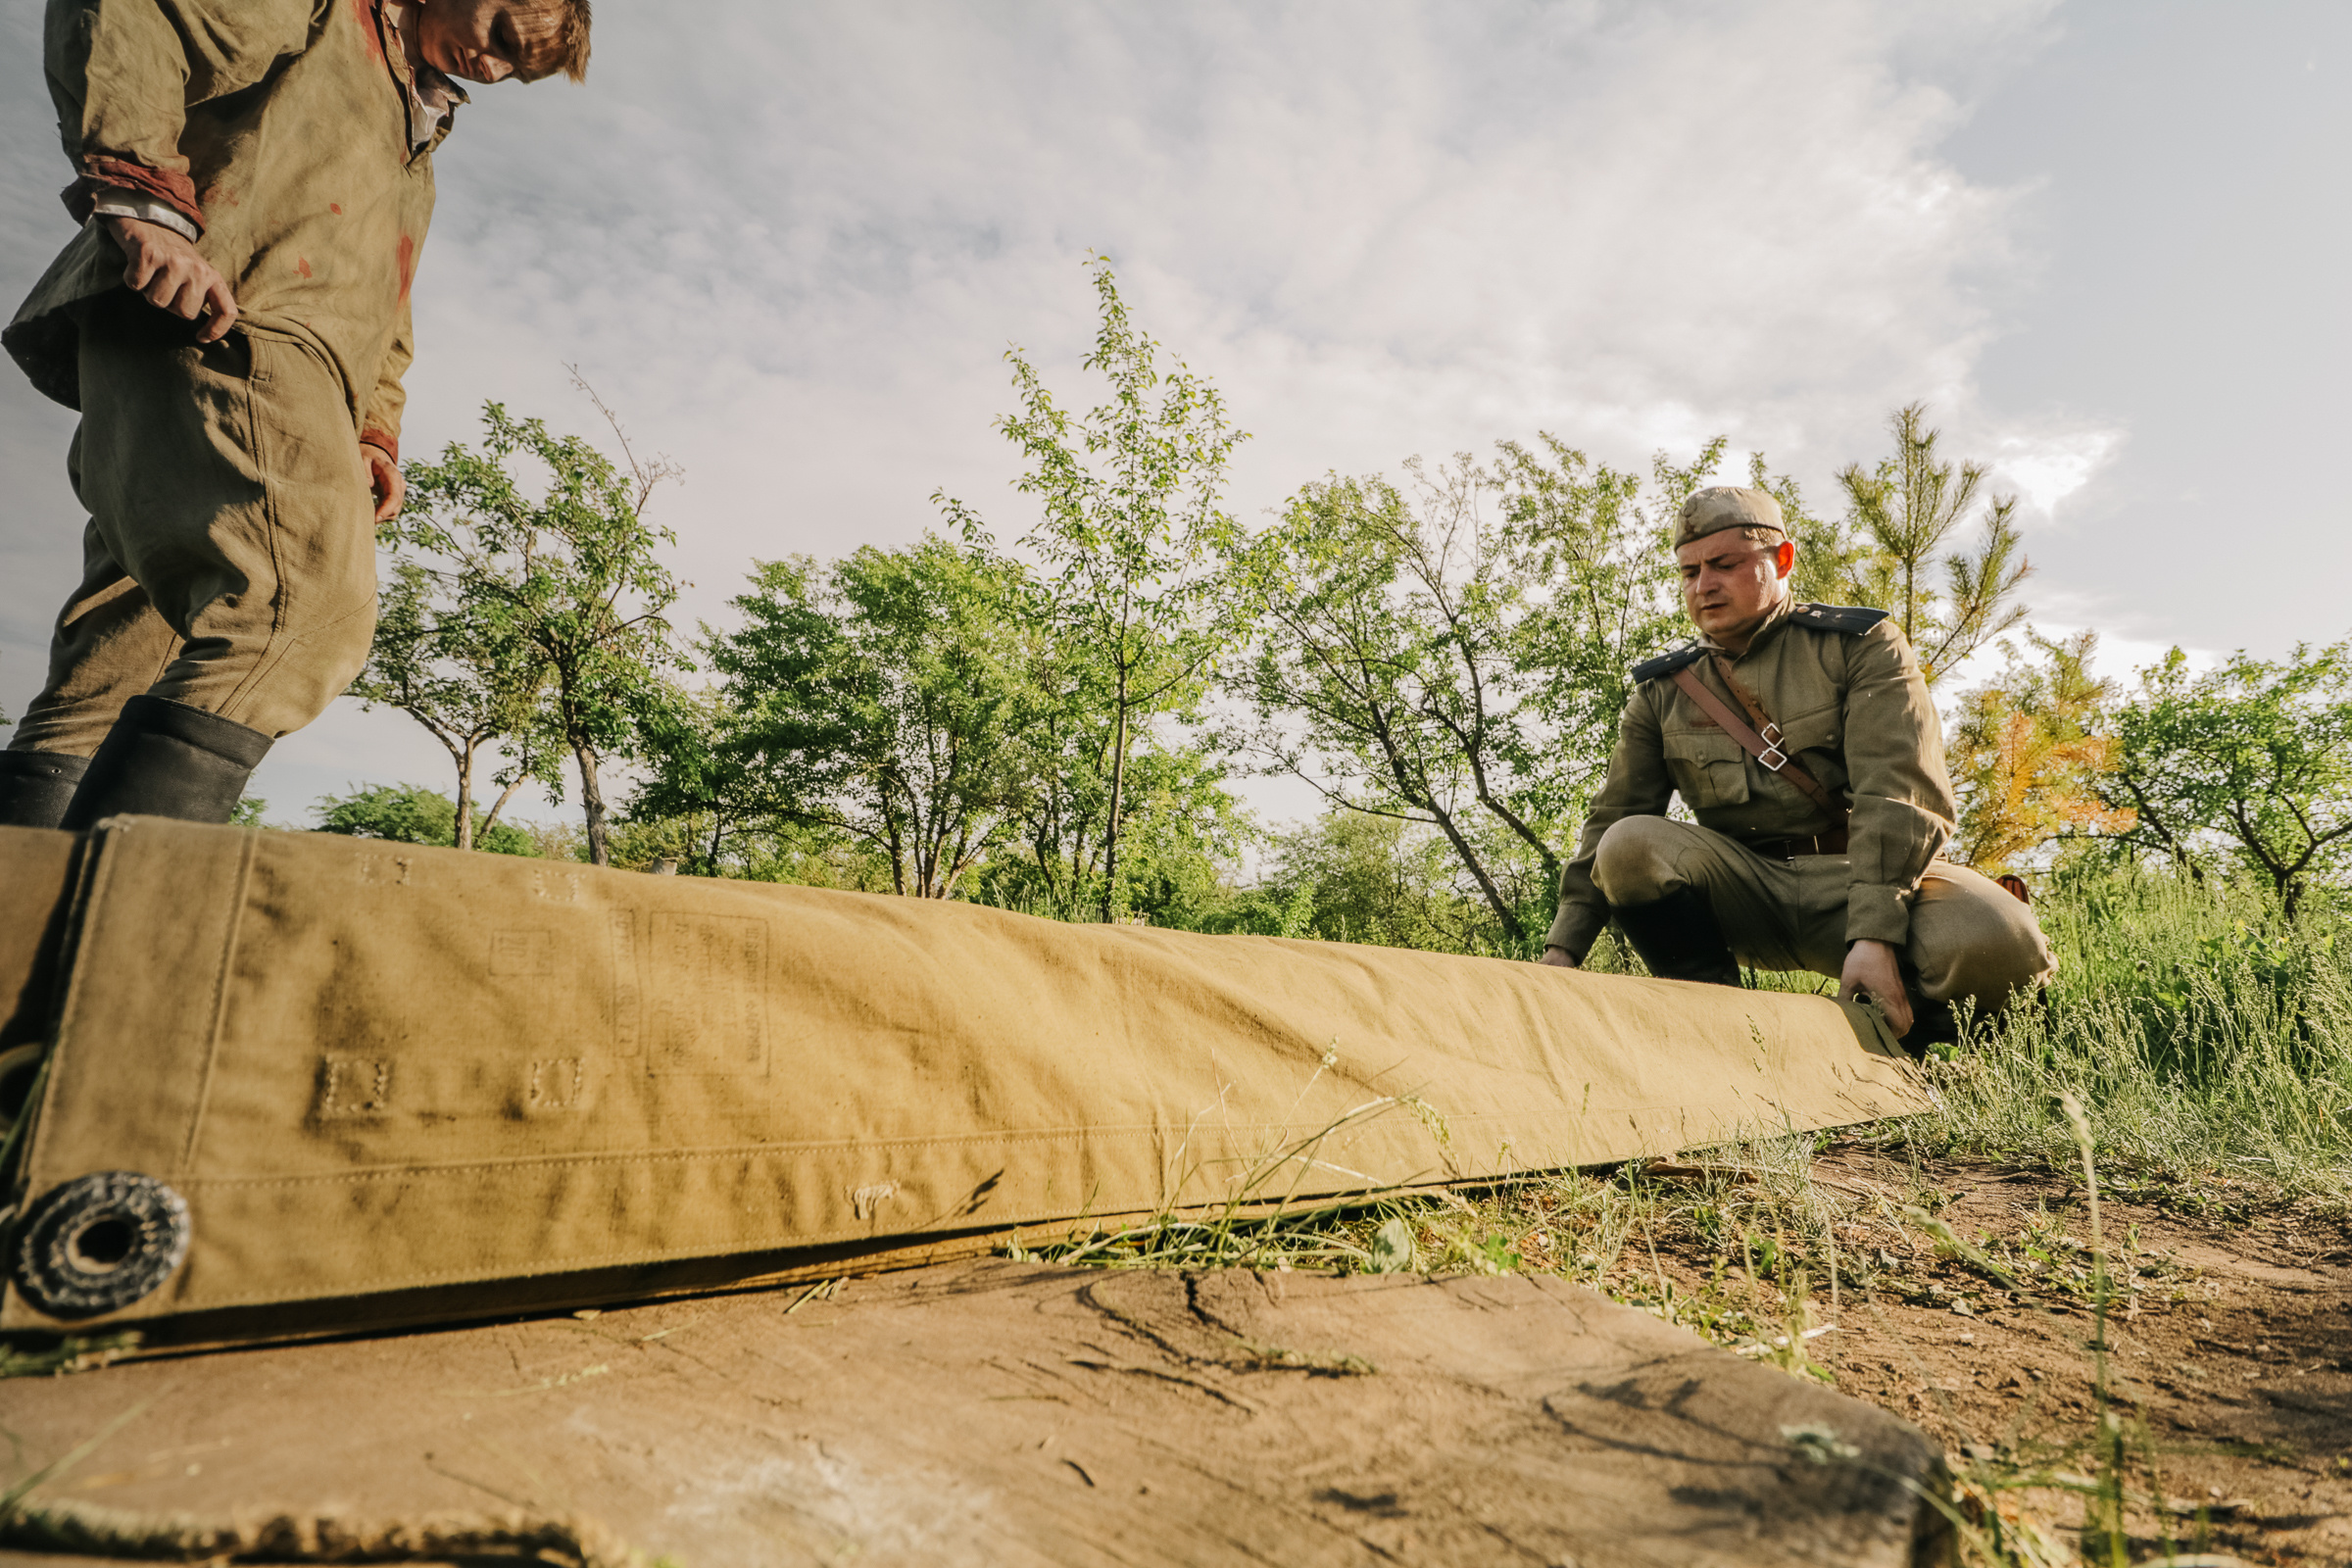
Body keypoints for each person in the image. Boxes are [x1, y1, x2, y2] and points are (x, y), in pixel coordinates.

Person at [0, 0, 591, 830]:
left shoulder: (415, 142)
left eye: (516, 71)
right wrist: (142, 197)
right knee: (302, 613)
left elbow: (388, 303)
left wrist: (373, 428)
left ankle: (21, 886)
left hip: (239, 369)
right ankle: (135, 901)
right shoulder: (329, 16)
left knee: (128, 655)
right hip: (227, 323)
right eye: (498, 37)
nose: (492, 69)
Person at [1537, 485, 2052, 1045]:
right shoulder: (1663, 690)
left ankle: (1907, 1053)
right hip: (1748, 891)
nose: (1704, 585)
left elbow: (1899, 792)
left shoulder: (1861, 645)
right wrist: (1562, 951)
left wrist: (1875, 935)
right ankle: (1721, 1035)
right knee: (1627, 845)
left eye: (1724, 565)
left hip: (1861, 881)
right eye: (1689, 572)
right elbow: (1612, 818)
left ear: (1782, 559)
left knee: (2000, 936)